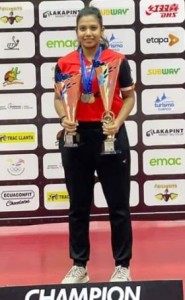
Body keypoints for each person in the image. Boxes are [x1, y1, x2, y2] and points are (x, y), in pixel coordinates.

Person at [54, 6, 135, 284]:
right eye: (82, 28)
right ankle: (79, 266)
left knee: (118, 205)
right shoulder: (64, 63)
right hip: (76, 138)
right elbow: (58, 98)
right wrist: (65, 117)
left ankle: (122, 266)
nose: (88, 33)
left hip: (110, 133)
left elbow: (129, 99)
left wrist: (117, 123)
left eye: (93, 28)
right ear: (76, 32)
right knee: (78, 206)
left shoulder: (118, 60)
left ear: (101, 31)